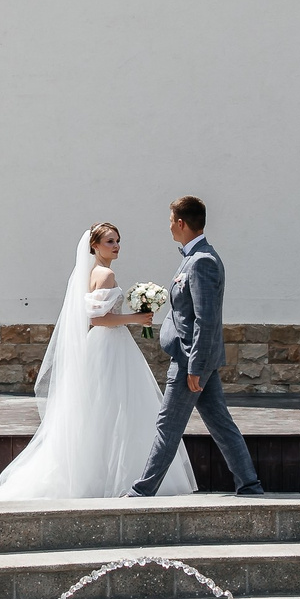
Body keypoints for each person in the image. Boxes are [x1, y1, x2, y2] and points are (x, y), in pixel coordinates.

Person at [0, 222, 196, 499]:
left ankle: (100, 474)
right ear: (94, 245)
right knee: (117, 408)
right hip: (109, 344)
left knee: (102, 409)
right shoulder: (105, 274)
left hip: (101, 345)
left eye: (118, 240)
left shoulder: (90, 274)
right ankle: (116, 476)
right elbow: (97, 319)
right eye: (110, 241)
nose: (116, 245)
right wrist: (136, 318)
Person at [129, 196, 260, 498]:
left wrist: (195, 366)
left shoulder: (202, 261)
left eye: (170, 220)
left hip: (190, 358)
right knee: (220, 423)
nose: (169, 227)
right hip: (197, 359)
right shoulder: (195, 257)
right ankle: (250, 485)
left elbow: (206, 319)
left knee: (167, 425)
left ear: (180, 222)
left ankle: (142, 490)